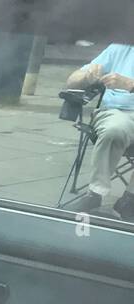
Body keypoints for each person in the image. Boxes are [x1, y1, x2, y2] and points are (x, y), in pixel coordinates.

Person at [65, 44, 134, 212]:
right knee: (116, 128)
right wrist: (87, 77)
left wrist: (130, 85)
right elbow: (72, 80)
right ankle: (95, 193)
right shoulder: (120, 48)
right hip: (117, 112)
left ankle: (130, 200)